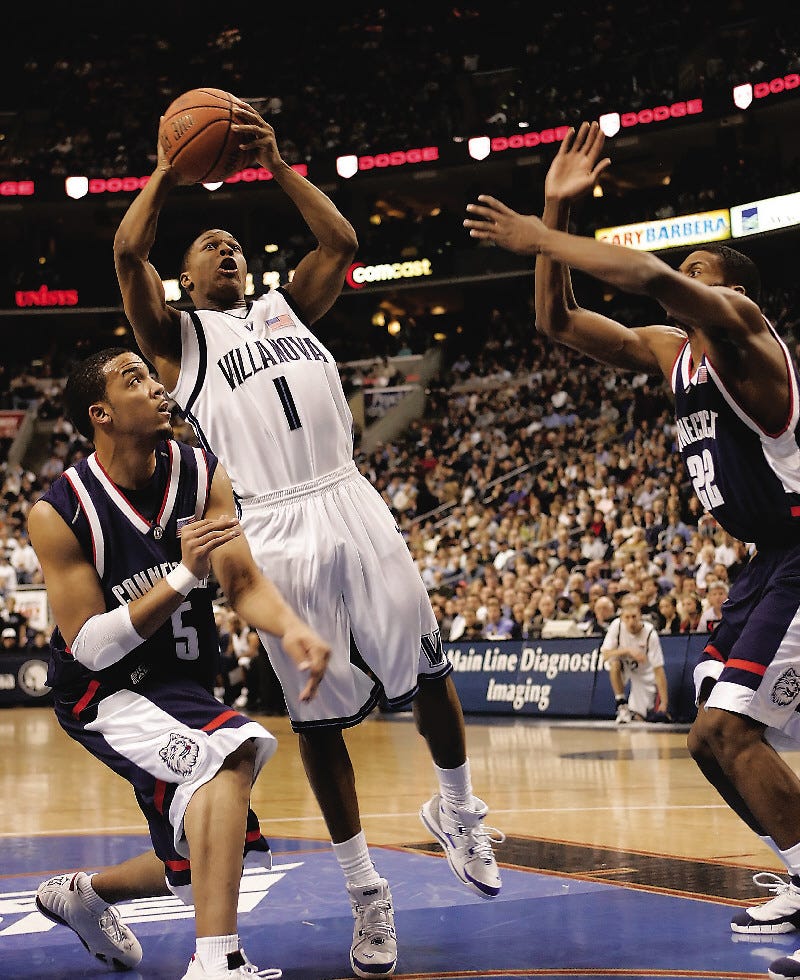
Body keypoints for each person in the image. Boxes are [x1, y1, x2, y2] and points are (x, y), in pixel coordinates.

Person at [113, 101, 502, 979]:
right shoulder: (178, 344)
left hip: (349, 500)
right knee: (320, 721)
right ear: (184, 277)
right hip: (274, 521)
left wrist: (280, 166)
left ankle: (459, 808)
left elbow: (343, 243)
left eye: (235, 243)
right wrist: (171, 174)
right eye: (208, 245)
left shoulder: (290, 309)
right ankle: (367, 894)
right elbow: (125, 253)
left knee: (430, 667)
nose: (227, 249)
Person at [463, 119, 800, 980]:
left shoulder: (745, 333)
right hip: (762, 560)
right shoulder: (667, 352)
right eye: (686, 272)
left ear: (730, 294)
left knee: (733, 726)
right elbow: (556, 318)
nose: (683, 281)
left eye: (701, 273)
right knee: (706, 741)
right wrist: (550, 213)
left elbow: (650, 273)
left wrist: (546, 231)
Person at [30, 348, 329, 980]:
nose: (157, 386)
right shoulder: (60, 512)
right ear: (101, 415)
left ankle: (86, 894)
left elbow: (242, 581)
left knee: (203, 861)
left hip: (182, 683)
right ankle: (218, 963)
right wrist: (182, 576)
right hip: (104, 691)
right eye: (133, 379)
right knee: (232, 750)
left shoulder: (200, 472)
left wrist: (292, 627)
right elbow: (89, 645)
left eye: (150, 373)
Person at [599, 594, 669, 724]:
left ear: (640, 616)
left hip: (644, 673)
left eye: (634, 617)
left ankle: (635, 712)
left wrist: (664, 702)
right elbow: (605, 655)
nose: (631, 621)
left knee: (638, 717)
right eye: (627, 617)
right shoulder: (616, 626)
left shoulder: (650, 634)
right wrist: (628, 650)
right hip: (625, 667)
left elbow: (658, 670)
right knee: (614, 662)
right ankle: (621, 704)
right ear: (621, 618)